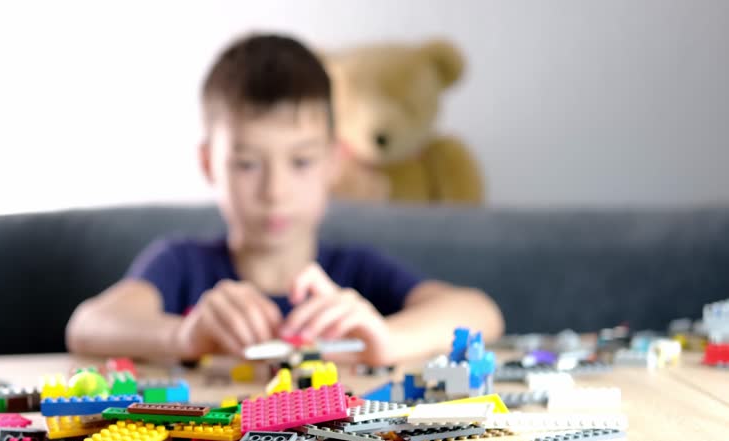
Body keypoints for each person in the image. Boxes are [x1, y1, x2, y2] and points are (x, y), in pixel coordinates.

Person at [66, 33, 503, 366]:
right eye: (247, 164)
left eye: (301, 161)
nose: (275, 191)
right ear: (209, 164)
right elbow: (87, 324)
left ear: (334, 161)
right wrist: (184, 337)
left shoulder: (358, 273)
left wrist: (386, 339)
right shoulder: (179, 264)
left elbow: (482, 313)